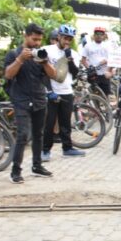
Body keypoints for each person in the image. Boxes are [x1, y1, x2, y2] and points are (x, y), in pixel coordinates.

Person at [4, 23, 57, 183]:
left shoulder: (41, 53)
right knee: (22, 135)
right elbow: (8, 75)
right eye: (34, 39)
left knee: (38, 134)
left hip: (39, 99)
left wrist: (45, 62)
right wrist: (20, 59)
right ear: (25, 36)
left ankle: (37, 166)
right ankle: (16, 171)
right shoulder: (14, 54)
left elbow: (54, 75)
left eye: (39, 40)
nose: (37, 43)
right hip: (21, 100)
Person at [42, 24, 85, 161]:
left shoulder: (74, 54)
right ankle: (45, 150)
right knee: (49, 123)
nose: (67, 41)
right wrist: (49, 91)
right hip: (52, 92)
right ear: (59, 37)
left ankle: (67, 148)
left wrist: (69, 58)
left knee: (65, 123)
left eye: (70, 39)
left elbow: (75, 72)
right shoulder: (47, 50)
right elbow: (42, 73)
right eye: (65, 38)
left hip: (67, 91)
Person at [80, 27, 112, 96]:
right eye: (97, 34)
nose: (99, 36)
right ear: (94, 35)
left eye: (101, 34)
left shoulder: (107, 46)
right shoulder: (88, 46)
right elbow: (83, 60)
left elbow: (112, 59)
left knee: (106, 95)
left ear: (104, 36)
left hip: (104, 74)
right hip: (93, 74)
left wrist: (106, 62)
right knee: (94, 95)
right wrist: (89, 68)